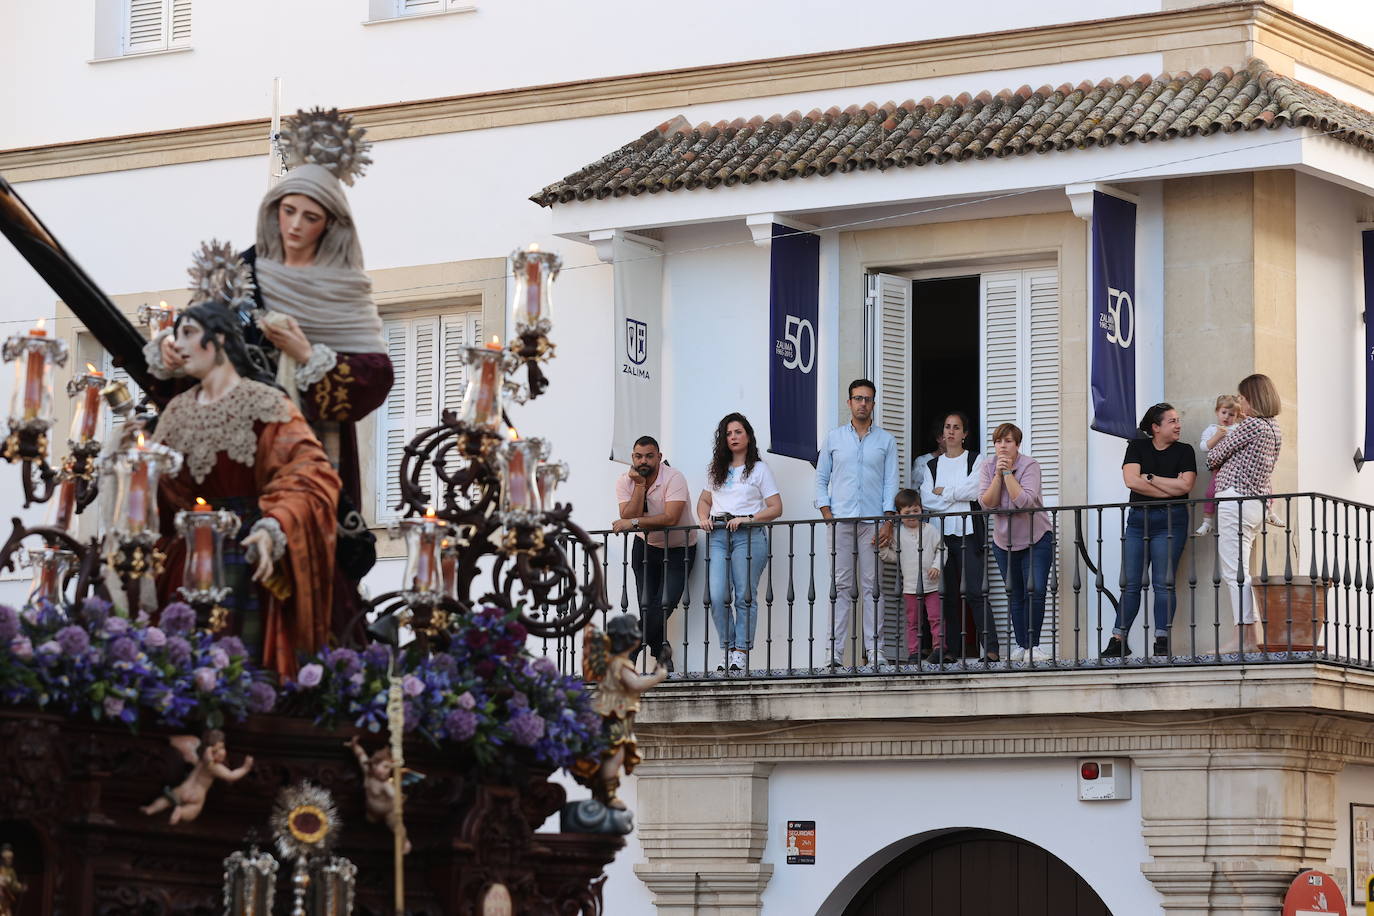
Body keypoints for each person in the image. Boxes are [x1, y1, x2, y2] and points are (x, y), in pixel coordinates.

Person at [153, 300, 341, 678]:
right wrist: (131, 468)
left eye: (189, 333)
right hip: (190, 558)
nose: (180, 346)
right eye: (177, 335)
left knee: (245, 667)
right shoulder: (175, 412)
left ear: (219, 339)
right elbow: (164, 494)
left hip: (248, 548)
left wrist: (275, 525)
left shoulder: (265, 402)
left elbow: (309, 472)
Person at [814, 380, 898, 667]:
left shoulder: (886, 440)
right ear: (849, 402)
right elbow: (821, 479)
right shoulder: (834, 439)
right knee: (840, 586)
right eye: (858, 398)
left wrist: (889, 521)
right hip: (840, 521)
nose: (863, 403)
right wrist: (827, 513)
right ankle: (833, 655)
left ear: (874, 404)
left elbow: (890, 482)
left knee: (873, 585)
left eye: (868, 399)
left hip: (874, 521)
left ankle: (875, 651)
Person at [1102, 404, 1197, 658]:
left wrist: (1151, 478)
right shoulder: (1137, 446)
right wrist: (1170, 487)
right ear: (1155, 427)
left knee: (1163, 583)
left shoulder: (1185, 451)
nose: (1178, 425)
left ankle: (1162, 640)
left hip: (1171, 520)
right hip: (1138, 520)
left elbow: (1186, 486)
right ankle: (1118, 638)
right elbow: (1132, 480)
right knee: (1130, 583)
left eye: (1178, 420)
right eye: (1172, 421)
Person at [697, 413, 783, 672]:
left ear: (748, 435)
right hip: (719, 534)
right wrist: (702, 517)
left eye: (738, 432)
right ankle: (729, 647)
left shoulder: (759, 469)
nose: (733, 437)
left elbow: (776, 507)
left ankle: (740, 653)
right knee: (717, 595)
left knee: (745, 595)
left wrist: (749, 518)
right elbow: (704, 500)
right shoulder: (716, 469)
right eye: (728, 433)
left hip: (748, 535)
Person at [1206, 373, 1282, 652]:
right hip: (1256, 503)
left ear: (1252, 399)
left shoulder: (1249, 426)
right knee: (1242, 570)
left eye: (1243, 398)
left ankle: (1244, 637)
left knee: (1233, 571)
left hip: (1234, 498)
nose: (1241, 404)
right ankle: (1248, 635)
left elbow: (1212, 457)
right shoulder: (1274, 429)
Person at [610, 436, 697, 668]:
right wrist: (639, 486)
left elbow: (671, 517)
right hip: (645, 548)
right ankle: (662, 653)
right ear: (632, 458)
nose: (643, 461)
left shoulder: (674, 477)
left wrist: (634, 523)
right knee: (648, 607)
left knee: (665, 604)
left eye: (649, 456)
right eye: (638, 456)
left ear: (659, 456)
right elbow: (627, 515)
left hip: (680, 549)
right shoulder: (625, 481)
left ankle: (630, 647)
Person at [920, 411, 998, 662]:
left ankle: (992, 648)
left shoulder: (976, 460)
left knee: (976, 591)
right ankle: (950, 649)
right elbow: (926, 499)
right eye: (947, 427)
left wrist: (945, 492)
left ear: (965, 434)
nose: (950, 431)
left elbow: (975, 490)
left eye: (956, 427)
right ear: (942, 433)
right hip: (941, 536)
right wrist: (956, 494)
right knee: (947, 595)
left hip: (969, 534)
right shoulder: (931, 465)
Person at [572, 614, 668, 809]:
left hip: (618, 714)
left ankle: (605, 792)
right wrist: (658, 677)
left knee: (615, 754)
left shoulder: (616, 663)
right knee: (614, 754)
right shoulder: (619, 664)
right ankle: (607, 794)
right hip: (614, 714)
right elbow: (635, 684)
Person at [979, 423, 1054, 662]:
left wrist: (1009, 473)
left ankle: (1033, 646)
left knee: (1036, 590)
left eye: (1008, 441)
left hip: (1037, 538)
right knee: (1016, 594)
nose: (1003, 446)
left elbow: (1024, 501)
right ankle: (1022, 645)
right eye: (999, 441)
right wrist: (998, 475)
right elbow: (986, 503)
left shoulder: (1029, 465)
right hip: (1004, 543)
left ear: (1017, 445)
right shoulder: (987, 466)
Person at [879, 489, 945, 664]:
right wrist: (882, 548)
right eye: (907, 513)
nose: (912, 515)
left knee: (936, 617)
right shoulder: (898, 534)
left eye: (915, 511)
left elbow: (942, 550)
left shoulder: (930, 530)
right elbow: (894, 556)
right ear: (899, 514)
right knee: (913, 621)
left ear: (921, 510)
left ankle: (939, 649)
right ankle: (914, 652)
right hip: (910, 586)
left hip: (932, 585)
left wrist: (936, 566)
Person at [139, 730, 254, 825]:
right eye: (216, 750)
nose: (221, 753)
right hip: (197, 796)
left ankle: (151, 809)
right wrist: (245, 767)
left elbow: (199, 753)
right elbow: (231, 776)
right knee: (193, 811)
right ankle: (180, 812)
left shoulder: (199, 761)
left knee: (166, 800)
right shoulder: (214, 767)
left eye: (222, 748)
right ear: (210, 752)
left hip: (183, 789)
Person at [1194, 394, 1238, 536]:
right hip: (1218, 469)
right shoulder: (1212, 429)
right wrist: (1217, 436)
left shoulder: (1238, 428)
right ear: (1217, 412)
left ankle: (1269, 511)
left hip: (1237, 469)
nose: (1226, 417)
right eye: (1223, 412)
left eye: (1231, 414)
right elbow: (1203, 447)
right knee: (1210, 492)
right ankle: (1207, 522)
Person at [0, 844, 25, 916]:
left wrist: (20, 887)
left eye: (11, 858)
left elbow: (13, 884)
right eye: (8, 858)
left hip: (6, 901)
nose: (9, 860)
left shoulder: (11, 871)